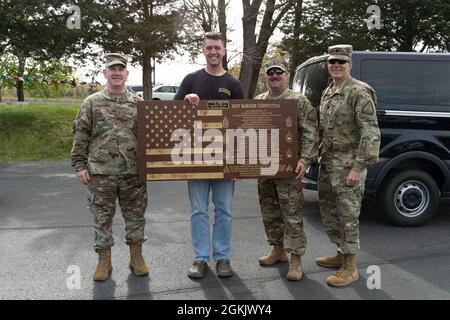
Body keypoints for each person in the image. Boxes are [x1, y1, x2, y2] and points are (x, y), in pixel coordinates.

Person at [71, 53, 149, 281]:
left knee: (135, 218)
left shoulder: (138, 104)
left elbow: (153, 137)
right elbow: (81, 135)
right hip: (101, 174)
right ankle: (104, 261)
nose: (116, 73)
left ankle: (137, 257)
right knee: (101, 219)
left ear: (126, 74)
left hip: (133, 173)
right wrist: (79, 165)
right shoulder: (92, 102)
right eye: (112, 69)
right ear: (105, 73)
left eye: (120, 69)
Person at [174, 32, 245, 279]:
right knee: (198, 211)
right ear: (203, 51)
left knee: (224, 210)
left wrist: (237, 163)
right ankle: (200, 258)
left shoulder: (233, 84)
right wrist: (185, 100)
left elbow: (241, 125)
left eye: (217, 48)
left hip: (225, 161)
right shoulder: (191, 80)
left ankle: (223, 258)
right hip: (195, 160)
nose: (213, 52)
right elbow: (173, 114)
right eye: (209, 48)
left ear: (224, 51)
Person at [316, 44, 380, 287]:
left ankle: (350, 266)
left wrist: (358, 167)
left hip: (348, 165)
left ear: (350, 65)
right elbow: (325, 129)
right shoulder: (328, 92)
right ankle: (340, 254)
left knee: (348, 215)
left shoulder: (359, 92)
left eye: (341, 62)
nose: (336, 65)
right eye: (332, 61)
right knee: (330, 211)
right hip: (329, 162)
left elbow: (370, 133)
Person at [254, 61, 318, 281]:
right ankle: (278, 250)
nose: (274, 76)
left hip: (289, 169)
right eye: (270, 73)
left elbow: (310, 132)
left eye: (278, 72)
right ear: (266, 76)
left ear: (286, 75)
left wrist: (305, 159)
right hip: (264, 168)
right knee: (270, 212)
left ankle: (296, 259)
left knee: (292, 215)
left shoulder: (298, 101)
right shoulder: (258, 102)